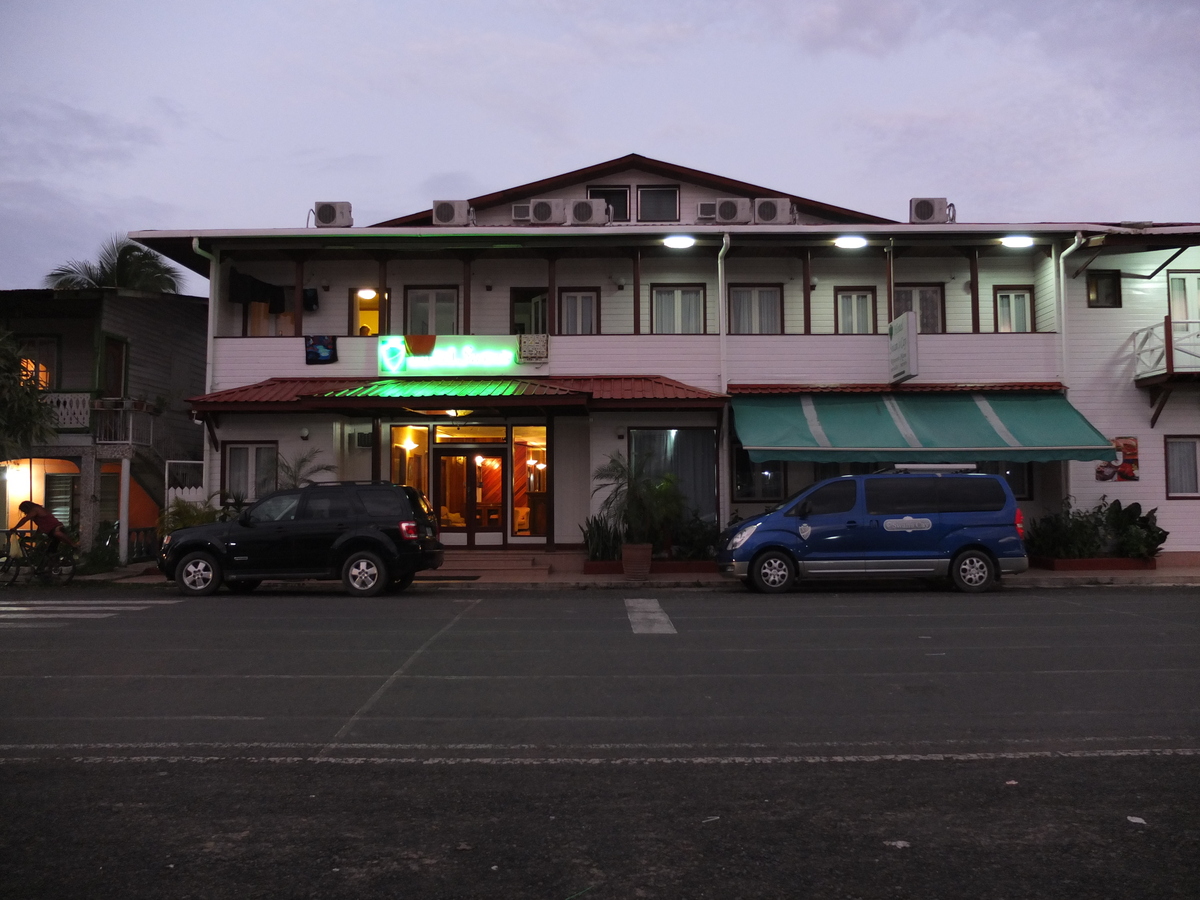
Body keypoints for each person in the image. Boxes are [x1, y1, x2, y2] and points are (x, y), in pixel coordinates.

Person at [8, 501, 79, 551]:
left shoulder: (35, 510)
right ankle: (51, 564)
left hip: (54, 526)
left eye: (24, 510)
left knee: (57, 533)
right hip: (49, 530)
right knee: (50, 550)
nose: (24, 512)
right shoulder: (37, 513)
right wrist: (35, 535)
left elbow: (25, 519)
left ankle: (73, 544)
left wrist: (15, 528)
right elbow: (41, 525)